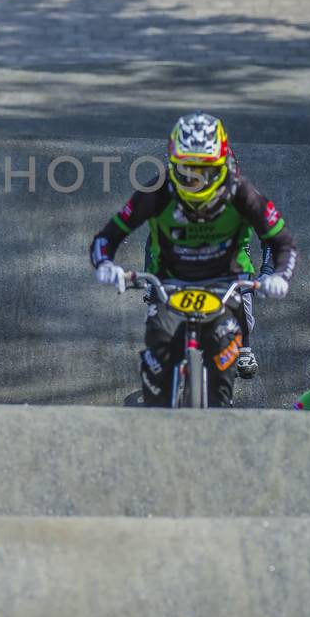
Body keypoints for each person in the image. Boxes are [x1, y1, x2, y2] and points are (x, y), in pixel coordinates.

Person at [90, 112, 297, 406]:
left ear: (223, 165)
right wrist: (105, 264)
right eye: (187, 171)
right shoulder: (157, 190)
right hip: (171, 282)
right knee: (157, 347)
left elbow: (282, 241)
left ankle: (217, 410)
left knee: (226, 358)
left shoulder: (242, 193)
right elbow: (106, 237)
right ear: (173, 164)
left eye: (206, 171)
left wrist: (279, 275)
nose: (197, 181)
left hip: (226, 284)